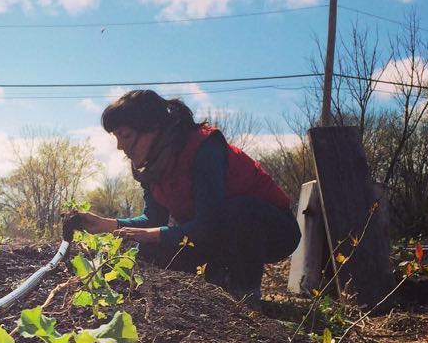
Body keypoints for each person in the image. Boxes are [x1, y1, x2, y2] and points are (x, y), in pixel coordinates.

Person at [69, 89, 300, 301]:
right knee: (151, 249)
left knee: (239, 210)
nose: (119, 146)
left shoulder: (204, 148)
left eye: (126, 135)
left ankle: (245, 295)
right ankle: (214, 288)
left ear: (153, 129)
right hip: (218, 233)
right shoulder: (154, 167)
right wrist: (105, 224)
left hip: (272, 230)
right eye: (116, 138)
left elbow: (209, 224)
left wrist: (154, 234)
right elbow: (153, 221)